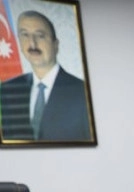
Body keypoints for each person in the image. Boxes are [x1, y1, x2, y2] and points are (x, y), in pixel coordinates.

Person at [0, 10, 92, 142]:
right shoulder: (7, 90)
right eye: (25, 35)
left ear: (56, 45)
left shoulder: (82, 92)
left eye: (40, 36)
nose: (32, 44)